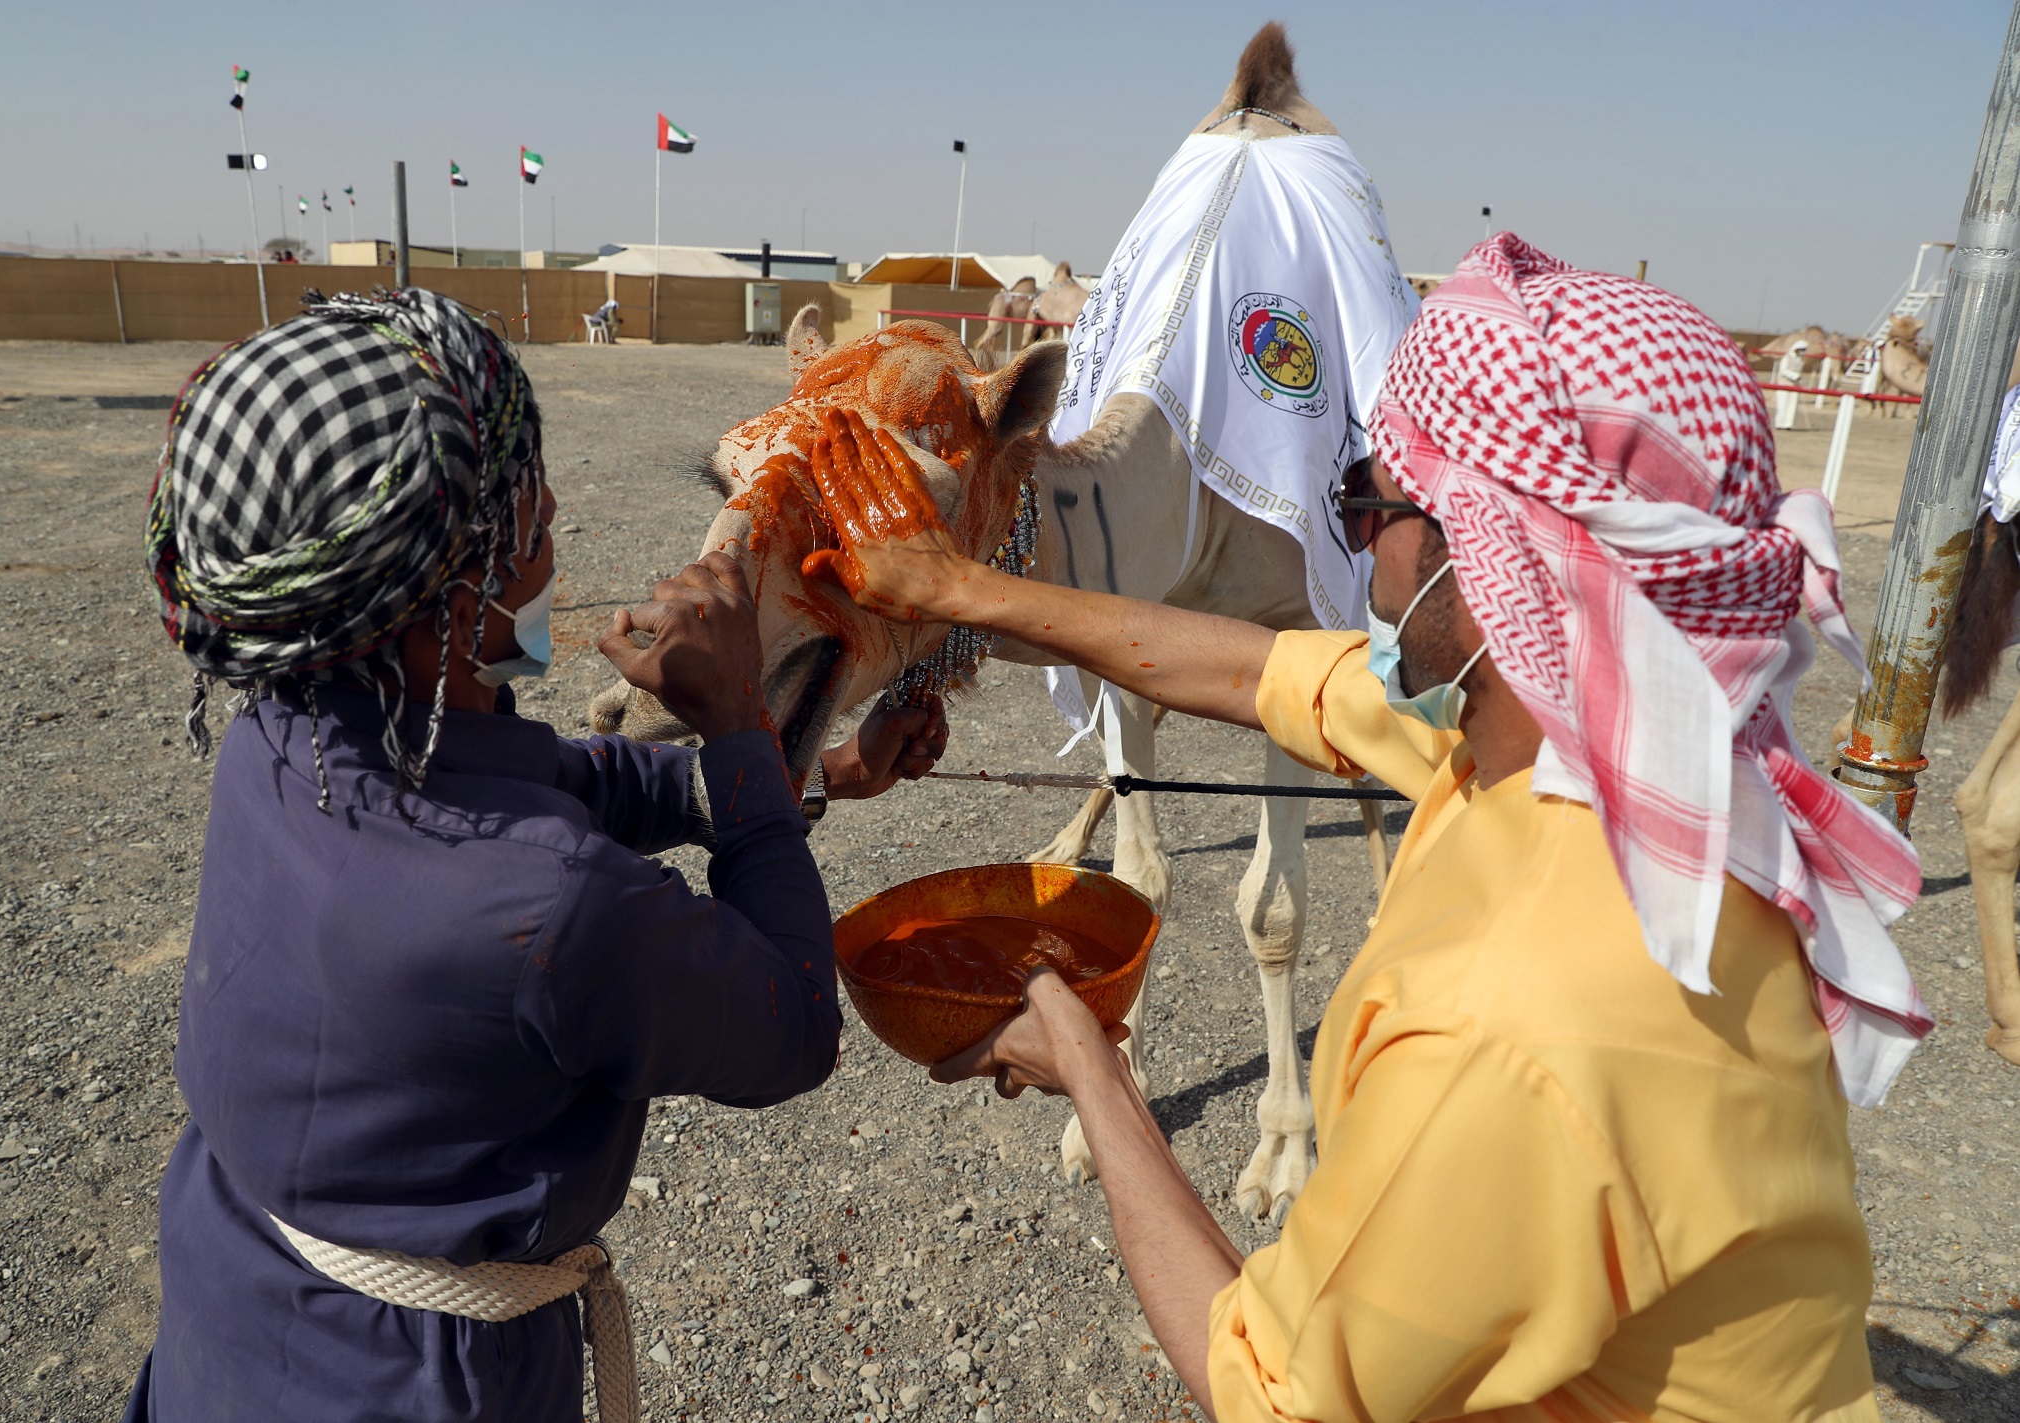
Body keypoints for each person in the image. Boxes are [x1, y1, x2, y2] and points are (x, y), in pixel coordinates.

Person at [803, 236, 1931, 1422]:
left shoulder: (1511, 1027)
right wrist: (958, 593)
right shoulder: (1609, 751)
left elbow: (1275, 1393)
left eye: (1370, 503)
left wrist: (1092, 1070)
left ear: (1490, 553)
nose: (1355, 544)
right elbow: (1255, 674)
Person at [126, 287, 945, 1423]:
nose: (558, 536)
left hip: (234, 1324)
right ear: (454, 600)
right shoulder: (551, 908)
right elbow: (795, 1021)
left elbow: (567, 782)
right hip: (423, 1386)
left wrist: (825, 772)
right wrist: (742, 725)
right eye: (537, 527)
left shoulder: (284, 734)